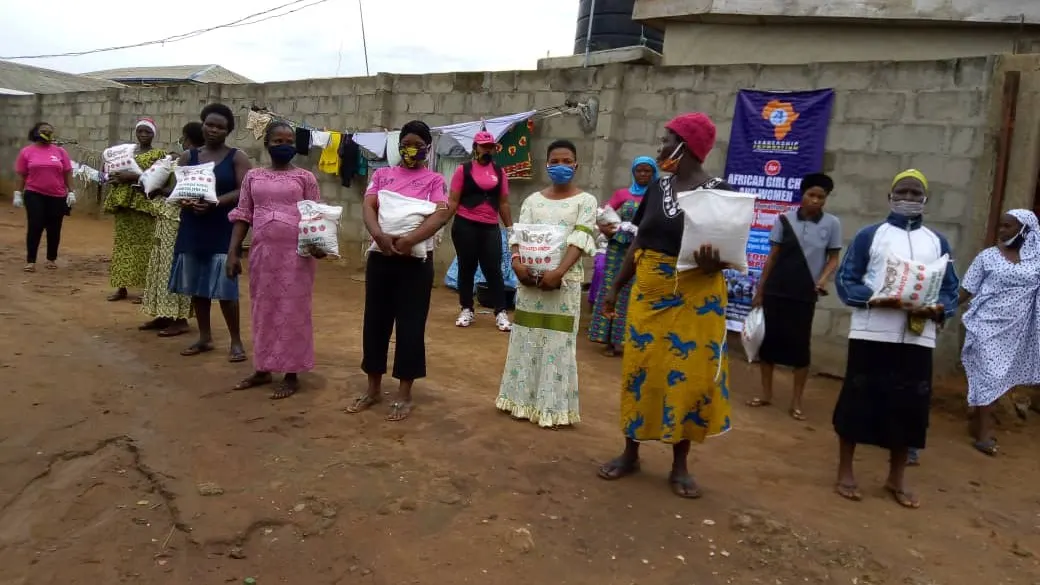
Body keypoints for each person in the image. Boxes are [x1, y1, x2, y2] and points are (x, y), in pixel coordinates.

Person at [596, 112, 733, 499]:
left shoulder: (720, 191)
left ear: (685, 146)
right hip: (651, 289)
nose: (660, 147)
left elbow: (731, 250)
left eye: (666, 139)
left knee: (687, 375)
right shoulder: (658, 188)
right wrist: (615, 288)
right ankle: (630, 452)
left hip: (698, 292)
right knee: (640, 369)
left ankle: (680, 464)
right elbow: (639, 242)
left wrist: (716, 262)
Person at [832, 169, 959, 509]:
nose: (909, 198)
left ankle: (896, 478)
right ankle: (846, 471)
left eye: (916, 193)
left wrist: (938, 309)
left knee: (910, 408)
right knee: (858, 400)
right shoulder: (870, 235)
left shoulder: (937, 242)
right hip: (873, 331)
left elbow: (950, 288)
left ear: (926, 199)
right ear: (890, 196)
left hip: (917, 338)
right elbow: (846, 280)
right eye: (902, 191)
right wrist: (874, 298)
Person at [347, 120, 450, 422]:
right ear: (398, 144)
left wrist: (410, 240)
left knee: (411, 326)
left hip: (415, 263)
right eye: (407, 142)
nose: (412, 148)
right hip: (381, 258)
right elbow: (369, 206)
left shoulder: (434, 180)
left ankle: (404, 395)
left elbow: (440, 214)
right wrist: (379, 235)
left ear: (427, 148)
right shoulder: (382, 175)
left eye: (418, 144)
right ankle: (373, 388)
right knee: (375, 323)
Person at [495, 139, 598, 428]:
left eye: (567, 161)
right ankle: (517, 401)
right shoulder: (532, 201)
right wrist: (517, 263)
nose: (561, 166)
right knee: (525, 339)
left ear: (576, 166)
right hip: (529, 284)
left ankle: (551, 408)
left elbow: (580, 239)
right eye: (556, 161)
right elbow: (519, 236)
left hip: (563, 286)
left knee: (557, 343)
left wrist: (559, 272)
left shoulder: (586, 202)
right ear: (547, 164)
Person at [227, 122, 326, 399]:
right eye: (278, 140)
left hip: (298, 256)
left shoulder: (305, 178)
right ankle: (263, 368)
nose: (285, 145)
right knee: (263, 310)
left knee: (293, 311)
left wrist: (319, 246)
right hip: (263, 254)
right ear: (267, 144)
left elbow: (315, 215)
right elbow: (243, 214)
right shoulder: (253, 177)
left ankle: (291, 373)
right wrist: (233, 251)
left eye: (289, 141)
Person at [747, 173, 843, 420]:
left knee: (801, 349)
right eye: (811, 195)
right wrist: (761, 290)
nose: (815, 200)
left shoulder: (832, 224)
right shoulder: (784, 219)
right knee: (768, 344)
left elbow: (833, 258)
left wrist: (822, 279)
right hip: (777, 290)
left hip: (804, 294)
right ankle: (766, 394)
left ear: (826, 199)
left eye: (821, 197)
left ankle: (796, 401)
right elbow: (773, 257)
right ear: (802, 195)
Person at [169, 103, 251, 362]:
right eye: (210, 124)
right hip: (193, 227)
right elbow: (177, 189)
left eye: (220, 127)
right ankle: (204, 337)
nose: (214, 130)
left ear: (228, 131)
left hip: (222, 229)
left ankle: (236, 341)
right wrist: (187, 202)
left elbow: (244, 191)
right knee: (197, 286)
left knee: (226, 288)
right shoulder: (188, 157)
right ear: (202, 124)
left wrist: (216, 201)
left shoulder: (237, 157)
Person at [959, 209, 1040, 456]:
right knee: (991, 374)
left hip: (1016, 331)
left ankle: (977, 418)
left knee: (999, 375)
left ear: (1025, 230)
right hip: (985, 324)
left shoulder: (1036, 261)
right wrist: (941, 308)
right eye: (1001, 226)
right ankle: (983, 434)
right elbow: (966, 290)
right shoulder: (987, 257)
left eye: (1008, 227)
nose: (1002, 231)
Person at [589, 156, 659, 356]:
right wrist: (607, 230)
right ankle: (607, 339)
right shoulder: (622, 194)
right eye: (640, 171)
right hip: (617, 250)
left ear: (654, 174)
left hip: (642, 251)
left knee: (633, 293)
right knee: (612, 289)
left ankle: (624, 341)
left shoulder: (656, 196)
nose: (643, 174)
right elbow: (602, 216)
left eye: (648, 171)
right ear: (633, 173)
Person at [140, 122, 202, 337]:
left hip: (178, 221)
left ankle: (179, 318)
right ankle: (164, 314)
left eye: (183, 137)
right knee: (160, 266)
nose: (181, 142)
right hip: (166, 220)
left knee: (173, 268)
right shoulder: (181, 159)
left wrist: (159, 189)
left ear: (189, 139)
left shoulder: (196, 161)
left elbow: (183, 191)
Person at [449, 131, 514, 332]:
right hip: (465, 224)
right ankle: (466, 308)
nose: (487, 149)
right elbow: (453, 200)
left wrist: (511, 228)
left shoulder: (500, 172)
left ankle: (501, 311)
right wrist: (438, 224)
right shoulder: (463, 170)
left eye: (490, 146)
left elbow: (503, 203)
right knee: (466, 267)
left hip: (489, 226)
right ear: (475, 147)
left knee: (493, 268)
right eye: (483, 146)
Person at [103, 118, 166, 302]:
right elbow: (111, 170)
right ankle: (121, 287)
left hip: (144, 204)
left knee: (146, 246)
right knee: (122, 245)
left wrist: (131, 176)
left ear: (154, 134)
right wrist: (114, 178)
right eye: (141, 131)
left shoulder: (159, 155)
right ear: (136, 133)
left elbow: (159, 178)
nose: (144, 135)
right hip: (124, 202)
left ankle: (146, 289)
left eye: (148, 132)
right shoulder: (124, 152)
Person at [13, 122, 75, 272]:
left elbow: (67, 172)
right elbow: (22, 175)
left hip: (57, 195)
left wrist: (71, 191)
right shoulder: (27, 152)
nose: (47, 132)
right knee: (35, 225)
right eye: (43, 130)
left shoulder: (60, 152)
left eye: (50, 130)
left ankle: (51, 259)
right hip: (34, 194)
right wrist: (18, 193)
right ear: (35, 132)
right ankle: (31, 261)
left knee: (54, 228)